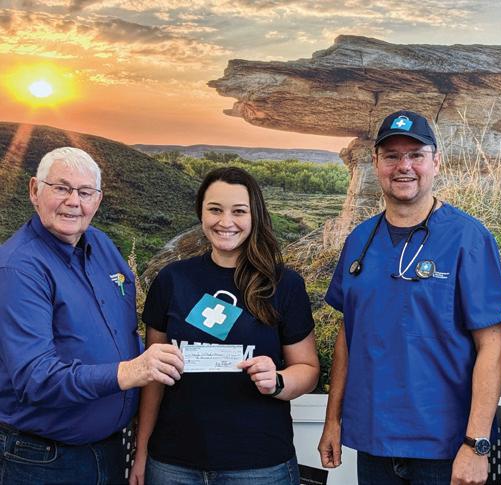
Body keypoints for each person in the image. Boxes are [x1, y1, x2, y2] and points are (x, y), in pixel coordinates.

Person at [317, 110, 501, 485]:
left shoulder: (468, 238)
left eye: (416, 155)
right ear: (376, 163)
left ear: (436, 162)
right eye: (391, 156)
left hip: (444, 447)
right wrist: (332, 419)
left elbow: (493, 346)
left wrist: (477, 445)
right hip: (374, 442)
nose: (403, 166)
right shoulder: (359, 240)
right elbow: (348, 334)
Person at [0, 147, 185, 485]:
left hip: (110, 451)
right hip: (43, 460)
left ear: (97, 200)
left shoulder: (101, 245)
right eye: (61, 188)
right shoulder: (19, 269)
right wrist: (130, 371)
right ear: (34, 190)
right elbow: (35, 379)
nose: (74, 201)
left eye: (85, 192)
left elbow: (120, 334)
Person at [129, 166, 319, 485]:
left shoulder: (284, 285)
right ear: (201, 213)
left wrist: (278, 381)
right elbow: (153, 378)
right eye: (215, 209)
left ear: (255, 215)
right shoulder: (172, 280)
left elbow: (308, 368)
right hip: (173, 463)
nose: (225, 221)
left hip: (258, 465)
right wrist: (142, 451)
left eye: (239, 211)